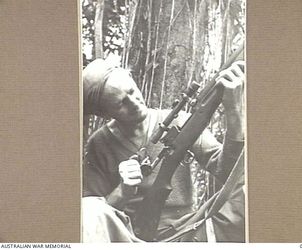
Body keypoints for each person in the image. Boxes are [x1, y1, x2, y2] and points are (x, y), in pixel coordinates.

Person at [82, 57, 245, 242]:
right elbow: (93, 217)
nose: (135, 103)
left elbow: (228, 172)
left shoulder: (182, 122)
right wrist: (122, 192)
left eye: (132, 91)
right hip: (127, 236)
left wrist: (235, 115)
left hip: (188, 231)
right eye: (121, 103)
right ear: (104, 113)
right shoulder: (99, 144)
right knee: (88, 209)